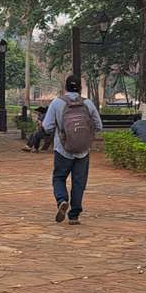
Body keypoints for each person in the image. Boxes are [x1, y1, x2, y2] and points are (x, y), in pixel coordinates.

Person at [42, 75, 103, 225]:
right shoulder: (87, 103)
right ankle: (74, 215)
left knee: (59, 178)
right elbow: (99, 125)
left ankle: (62, 200)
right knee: (79, 182)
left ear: (66, 87)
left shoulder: (57, 103)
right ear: (80, 88)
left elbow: (47, 126)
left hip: (63, 149)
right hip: (83, 149)